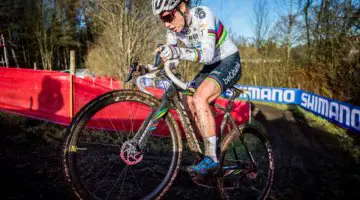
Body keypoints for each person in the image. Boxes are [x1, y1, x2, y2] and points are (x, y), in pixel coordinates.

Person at [152, 0, 241, 175]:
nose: (167, 24)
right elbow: (174, 60)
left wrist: (176, 52)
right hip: (211, 67)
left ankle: (212, 159)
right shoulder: (174, 28)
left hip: (228, 60)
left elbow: (207, 55)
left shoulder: (202, 14)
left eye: (169, 17)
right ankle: (210, 150)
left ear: (182, 8)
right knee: (188, 100)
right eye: (163, 20)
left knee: (200, 98)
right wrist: (151, 66)